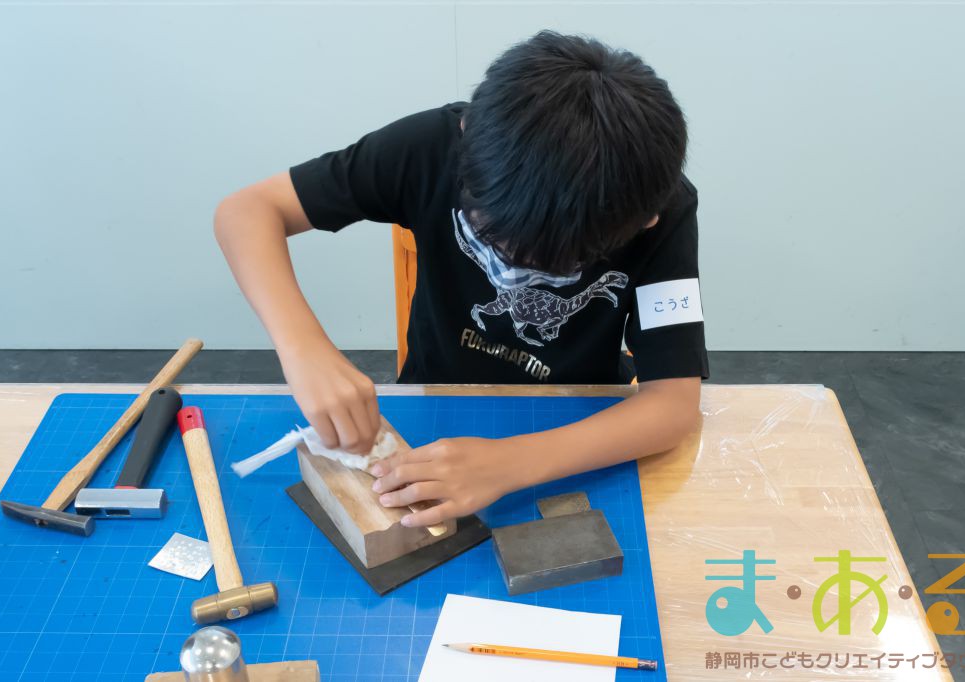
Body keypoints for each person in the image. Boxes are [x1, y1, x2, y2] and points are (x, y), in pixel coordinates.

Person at [214, 31, 708, 527]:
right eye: (495, 239)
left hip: (579, 421)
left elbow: (673, 406)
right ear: (467, 134)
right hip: (431, 400)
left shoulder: (660, 206)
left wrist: (510, 464)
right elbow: (246, 211)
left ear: (646, 221)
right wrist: (304, 349)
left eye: (547, 261)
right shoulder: (430, 147)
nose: (512, 267)